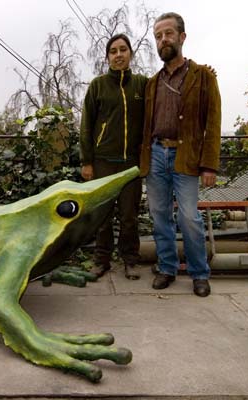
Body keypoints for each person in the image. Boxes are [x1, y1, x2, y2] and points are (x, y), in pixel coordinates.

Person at [139, 12, 221, 297]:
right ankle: (167, 267)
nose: (163, 40)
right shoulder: (152, 83)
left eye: (168, 34)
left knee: (189, 217)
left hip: (186, 156)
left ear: (182, 37)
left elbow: (213, 121)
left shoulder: (204, 76)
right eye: (158, 36)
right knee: (160, 215)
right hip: (156, 155)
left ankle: (199, 273)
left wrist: (209, 164)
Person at [79, 33, 148, 280]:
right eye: (113, 51)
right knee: (103, 215)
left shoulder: (142, 84)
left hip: (132, 163)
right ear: (108, 56)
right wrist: (87, 162)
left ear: (130, 53)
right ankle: (102, 260)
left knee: (129, 216)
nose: (118, 55)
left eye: (123, 50)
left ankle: (130, 261)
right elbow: (86, 124)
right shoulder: (98, 85)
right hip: (103, 162)